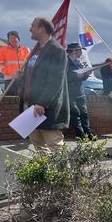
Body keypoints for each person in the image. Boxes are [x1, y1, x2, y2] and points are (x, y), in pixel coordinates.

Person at [19, 17, 69, 154]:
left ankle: (64, 175)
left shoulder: (57, 50)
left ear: (42, 29)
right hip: (29, 105)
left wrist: (42, 103)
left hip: (45, 108)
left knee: (54, 145)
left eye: (33, 26)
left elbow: (55, 80)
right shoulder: (35, 50)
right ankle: (45, 175)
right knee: (38, 144)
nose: (30, 29)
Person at [66, 43, 94, 139]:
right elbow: (62, 77)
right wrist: (75, 76)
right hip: (70, 92)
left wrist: (86, 74)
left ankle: (88, 133)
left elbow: (82, 78)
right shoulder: (65, 62)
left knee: (84, 113)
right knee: (75, 114)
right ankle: (81, 135)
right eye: (79, 50)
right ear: (74, 51)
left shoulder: (78, 62)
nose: (81, 52)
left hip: (80, 91)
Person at [0, 30, 31, 95]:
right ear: (8, 40)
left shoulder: (26, 50)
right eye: (10, 38)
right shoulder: (2, 51)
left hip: (23, 80)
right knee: (11, 100)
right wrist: (10, 73)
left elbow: (29, 64)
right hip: (9, 80)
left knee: (23, 100)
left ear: (18, 39)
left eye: (14, 37)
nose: (12, 39)